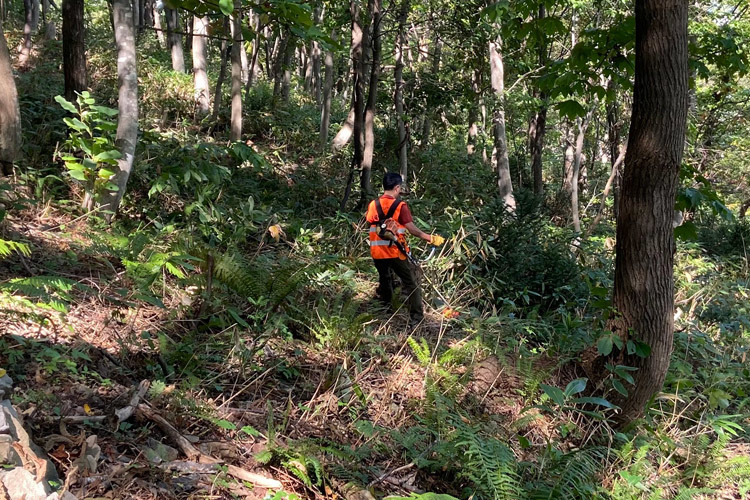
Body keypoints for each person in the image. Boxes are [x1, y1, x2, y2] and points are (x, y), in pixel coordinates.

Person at [365, 173, 445, 325]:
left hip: (377, 253)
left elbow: (371, 222)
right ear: (397, 187)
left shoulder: (373, 205)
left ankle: (385, 311)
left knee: (385, 279)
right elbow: (412, 229)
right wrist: (430, 238)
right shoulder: (400, 206)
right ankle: (416, 319)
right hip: (395, 252)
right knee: (410, 283)